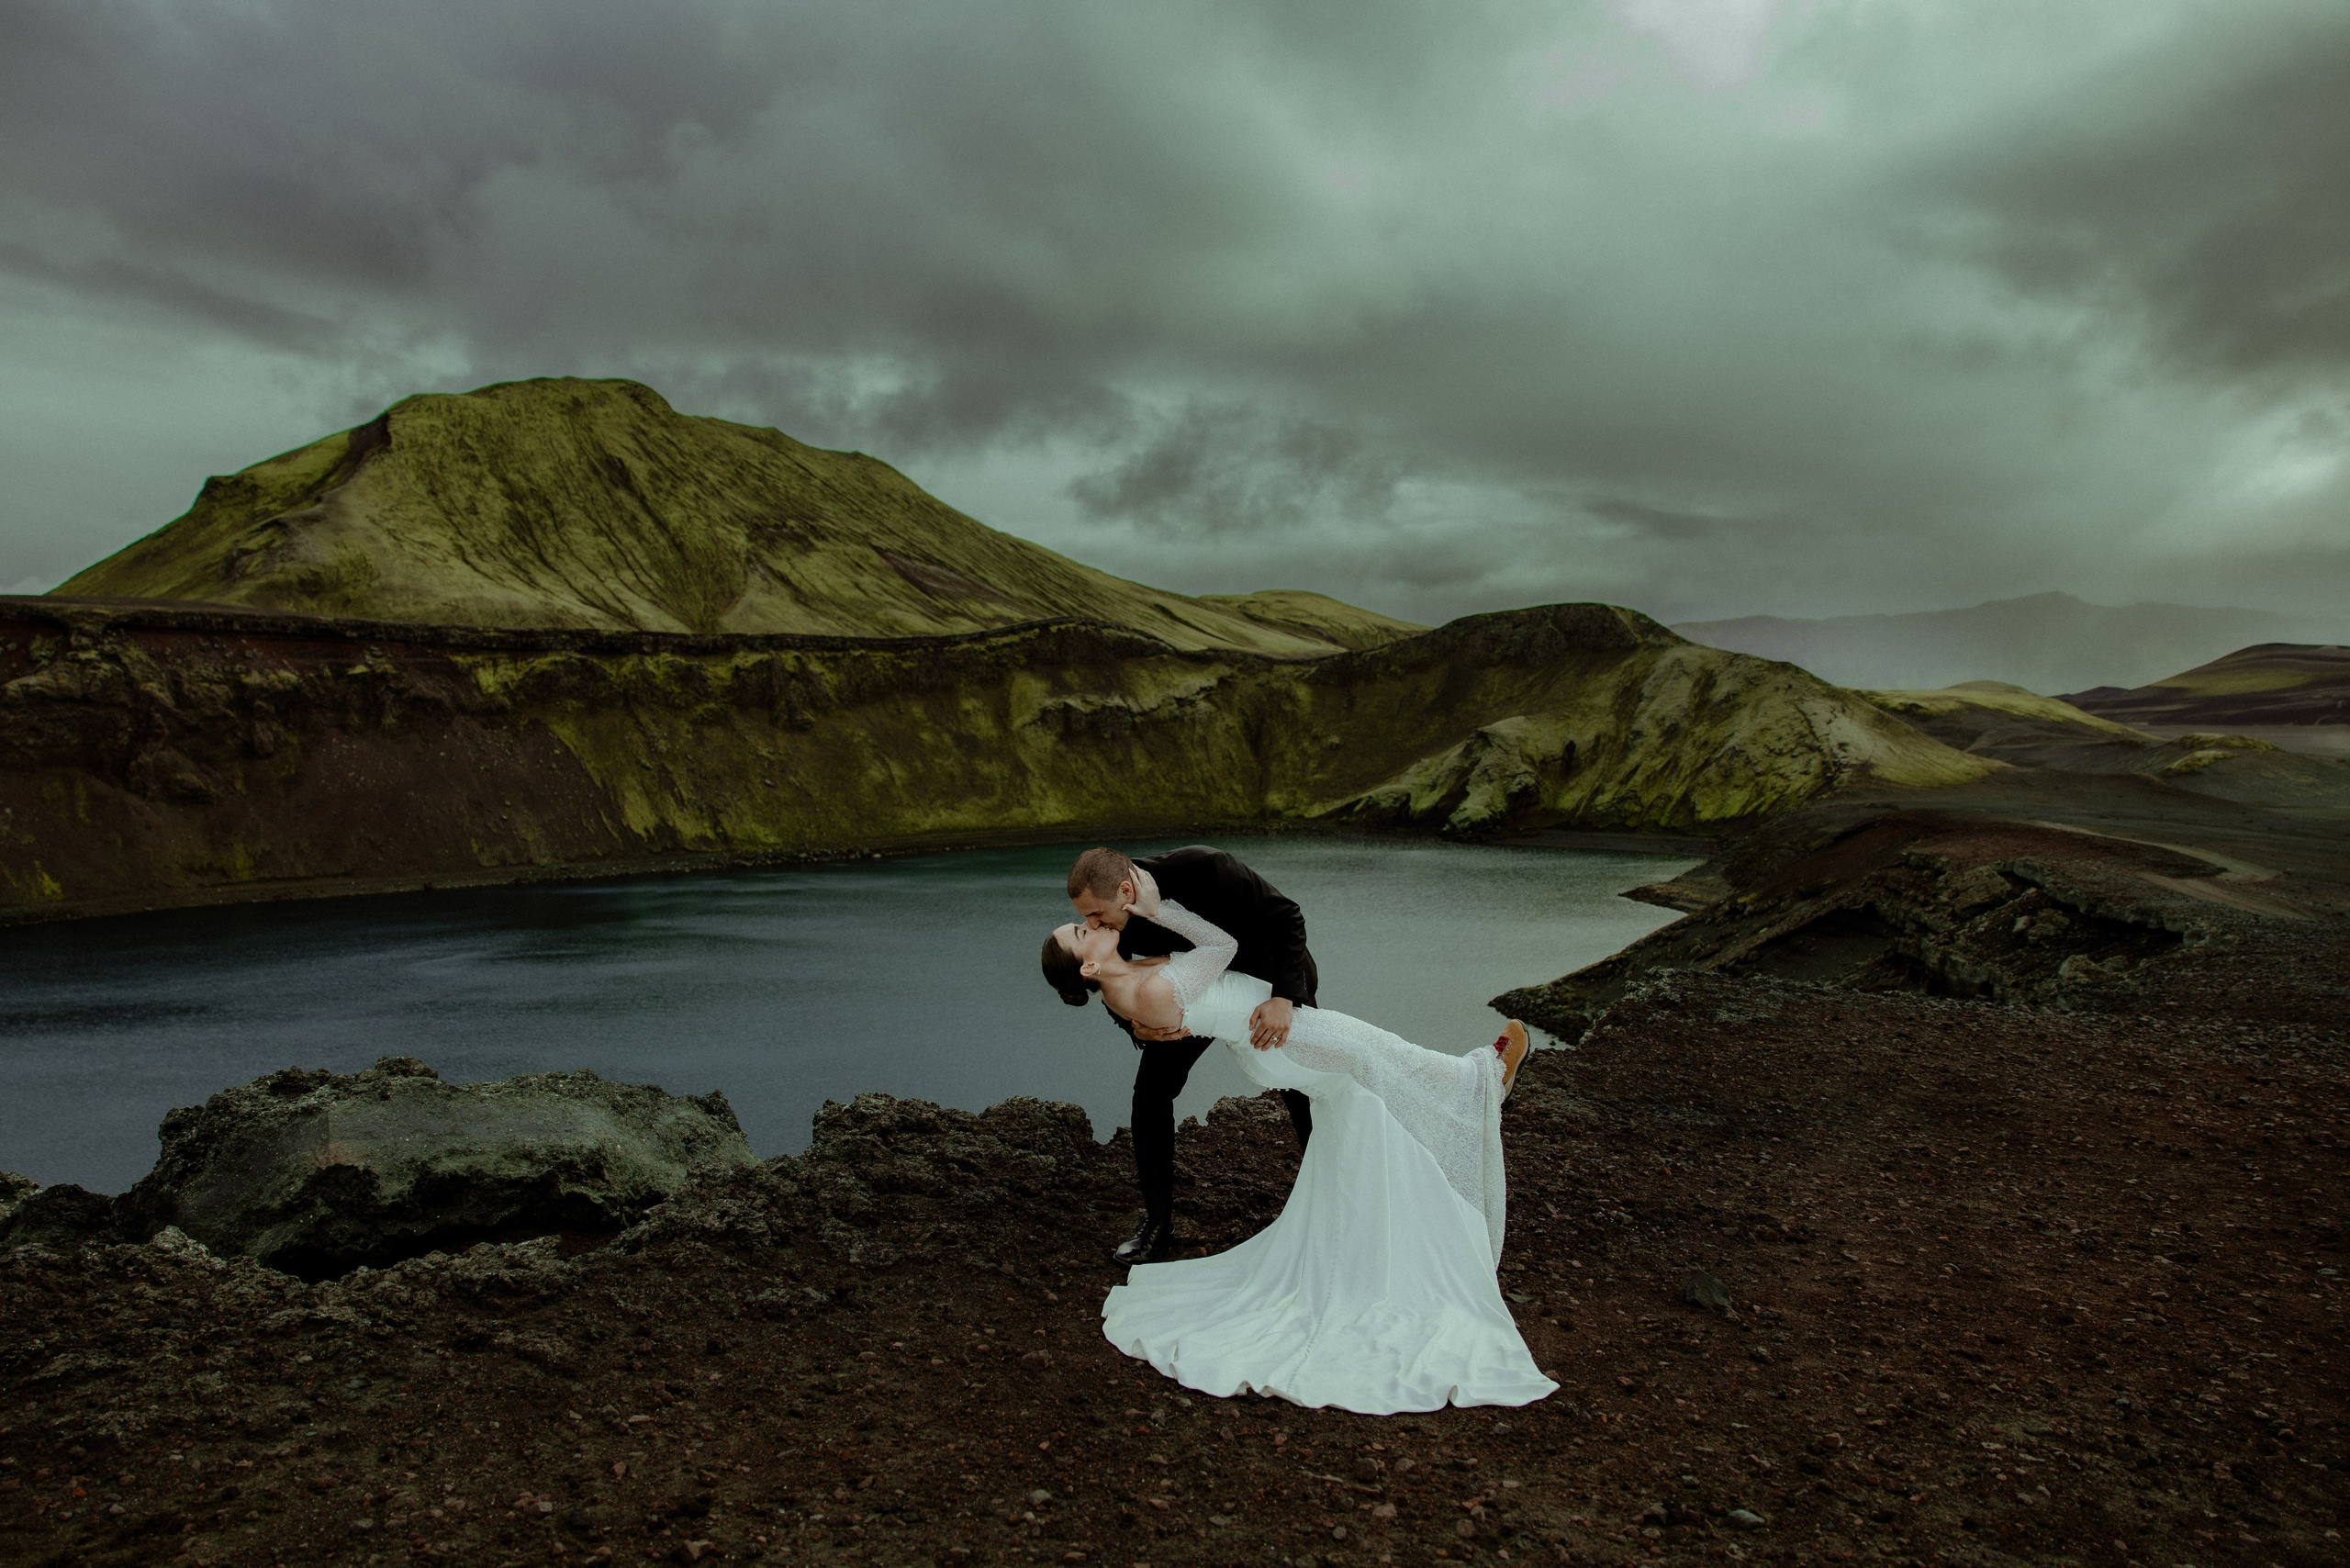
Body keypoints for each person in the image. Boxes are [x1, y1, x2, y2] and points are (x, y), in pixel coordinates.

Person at [1039, 873, 1553, 1415]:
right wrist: (1159, 908)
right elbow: (1223, 947)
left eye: (1089, 917)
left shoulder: (1125, 988)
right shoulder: (1145, 989)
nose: (1092, 923)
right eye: (1082, 929)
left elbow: (1167, 1000)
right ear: (1089, 967)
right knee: (1383, 1058)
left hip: (1269, 1032)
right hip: (1283, 1035)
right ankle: (1482, 1081)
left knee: (1366, 1101)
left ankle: (1379, 1225)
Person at [1052, 845, 1316, 1264]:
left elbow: (1287, 916)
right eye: (1086, 919)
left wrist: (1285, 997)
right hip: (1198, 1001)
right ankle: (1158, 1224)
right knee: (1151, 1094)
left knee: (1303, 1088)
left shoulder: (1205, 867)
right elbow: (1113, 980)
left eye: (1097, 915)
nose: (1093, 924)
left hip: (1269, 981)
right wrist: (1141, 1027)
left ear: (1126, 890)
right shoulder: (1112, 920)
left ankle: (1324, 1201)